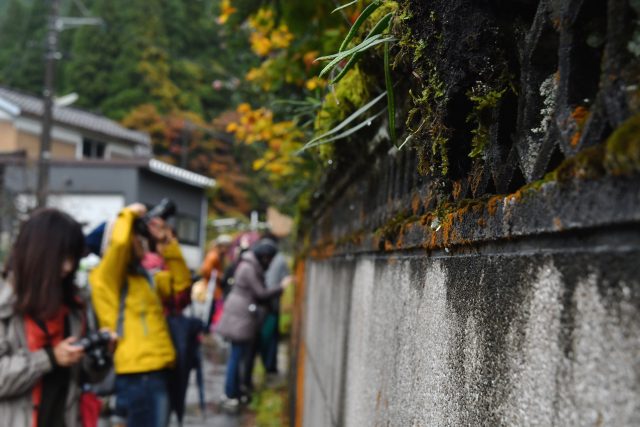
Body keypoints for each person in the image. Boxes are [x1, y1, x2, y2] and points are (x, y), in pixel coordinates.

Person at [0, 208, 114, 427]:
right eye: (62, 257)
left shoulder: (74, 307)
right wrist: (49, 358)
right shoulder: (5, 304)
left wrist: (101, 355)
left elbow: (87, 379)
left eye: (73, 257)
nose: (68, 267)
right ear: (38, 254)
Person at [88, 203, 191, 427]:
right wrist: (130, 213)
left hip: (156, 371)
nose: (140, 240)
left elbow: (181, 288)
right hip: (137, 375)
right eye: (136, 235)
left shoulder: (144, 278)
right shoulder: (105, 279)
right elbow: (119, 245)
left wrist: (167, 244)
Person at [215, 238, 289, 408]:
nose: (269, 263)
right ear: (264, 256)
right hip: (240, 317)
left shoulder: (249, 264)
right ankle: (230, 393)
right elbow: (261, 293)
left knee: (238, 355)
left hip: (240, 315)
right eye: (269, 258)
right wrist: (281, 287)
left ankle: (235, 390)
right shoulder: (249, 267)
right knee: (236, 356)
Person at [199, 234, 232, 329]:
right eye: (227, 247)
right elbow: (205, 270)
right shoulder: (213, 256)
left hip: (214, 290)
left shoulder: (219, 256)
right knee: (208, 312)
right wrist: (219, 276)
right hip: (210, 289)